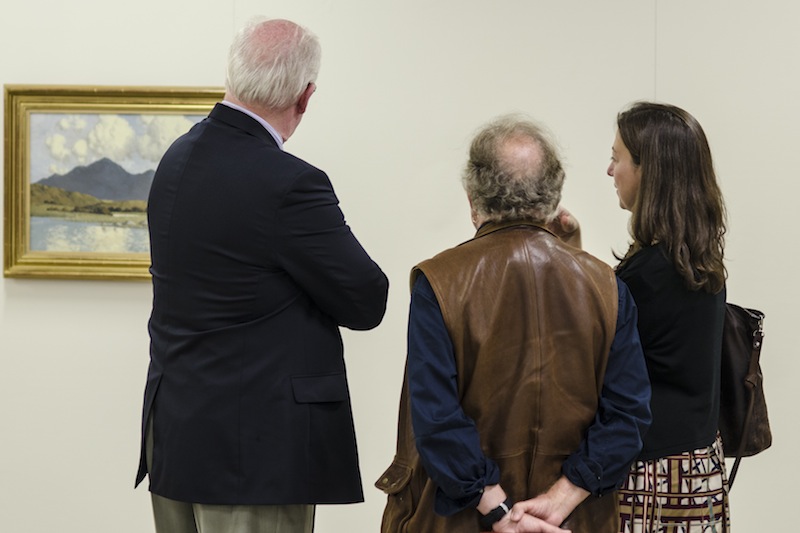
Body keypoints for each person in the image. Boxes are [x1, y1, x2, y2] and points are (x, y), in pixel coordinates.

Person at [134, 18, 389, 533]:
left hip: (177, 438)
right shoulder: (289, 183)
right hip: (253, 454)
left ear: (233, 73)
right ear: (306, 96)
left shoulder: (176, 158)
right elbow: (367, 301)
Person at [376, 115, 652, 532]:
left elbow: (436, 417)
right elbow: (628, 415)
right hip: (574, 521)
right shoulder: (607, 287)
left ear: (473, 196)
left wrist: (501, 511)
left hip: (461, 520)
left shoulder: (439, 281)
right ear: (554, 195)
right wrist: (558, 502)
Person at [605, 102, 730, 532]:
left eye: (617, 158)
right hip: (700, 471)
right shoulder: (699, 264)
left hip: (651, 478)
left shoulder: (646, 276)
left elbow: (598, 356)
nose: (610, 170)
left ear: (649, 171)